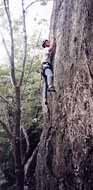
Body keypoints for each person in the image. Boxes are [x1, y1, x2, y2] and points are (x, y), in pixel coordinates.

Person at [41, 38, 56, 105]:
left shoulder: (45, 51)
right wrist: (53, 40)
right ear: (45, 44)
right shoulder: (45, 49)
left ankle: (45, 99)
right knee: (50, 75)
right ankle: (50, 86)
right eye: (47, 42)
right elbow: (51, 48)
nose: (49, 42)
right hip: (45, 66)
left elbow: (51, 52)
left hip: (44, 67)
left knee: (45, 84)